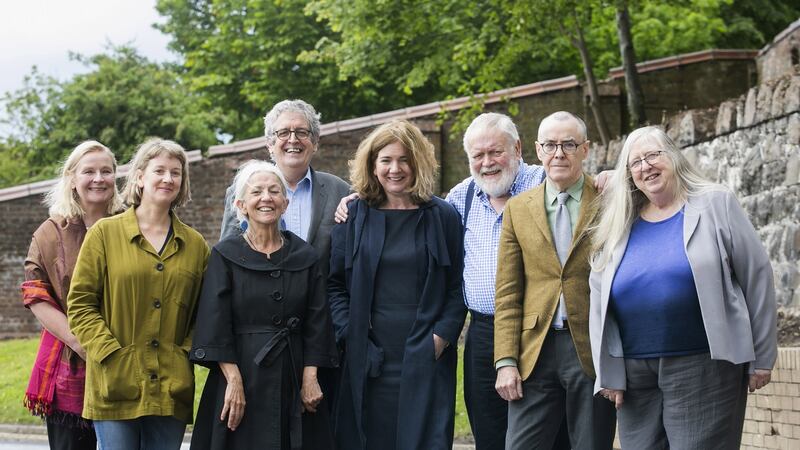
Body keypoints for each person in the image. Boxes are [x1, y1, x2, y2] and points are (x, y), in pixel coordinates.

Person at [589, 125, 777, 449]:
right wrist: (608, 372)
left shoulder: (715, 204)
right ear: (628, 174)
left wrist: (762, 356)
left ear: (674, 157)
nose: (645, 166)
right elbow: (598, 300)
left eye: (653, 155)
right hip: (635, 373)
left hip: (702, 363)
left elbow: (757, 276)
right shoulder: (619, 221)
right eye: (635, 162)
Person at [328, 120, 466, 450]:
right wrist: (352, 335)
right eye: (386, 160)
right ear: (372, 166)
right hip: (368, 355)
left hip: (425, 354)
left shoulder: (442, 215)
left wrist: (441, 337)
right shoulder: (354, 214)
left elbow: (458, 285)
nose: (396, 169)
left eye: (404, 159)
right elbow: (334, 286)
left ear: (418, 163)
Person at [67, 138, 209, 450]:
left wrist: (184, 354)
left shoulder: (196, 245)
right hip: (114, 384)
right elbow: (80, 304)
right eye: (159, 170)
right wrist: (110, 354)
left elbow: (204, 312)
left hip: (170, 388)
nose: (168, 179)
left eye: (176, 172)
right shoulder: (104, 234)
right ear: (140, 177)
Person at [190, 160, 339, 450]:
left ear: (285, 203)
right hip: (240, 373)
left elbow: (317, 320)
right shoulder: (225, 254)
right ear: (242, 205)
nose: (266, 198)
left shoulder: (304, 255)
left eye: (274, 191)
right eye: (256, 192)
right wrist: (233, 381)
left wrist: (310, 378)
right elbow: (215, 323)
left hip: (294, 374)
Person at [494, 111, 616, 449]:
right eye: (550, 145)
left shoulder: (609, 200)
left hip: (591, 349)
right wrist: (505, 362)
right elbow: (507, 293)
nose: (558, 153)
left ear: (585, 149)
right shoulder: (518, 209)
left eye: (569, 144)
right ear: (537, 149)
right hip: (535, 350)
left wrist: (620, 177)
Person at [22, 141, 123, 450]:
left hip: (125, 359)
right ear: (71, 178)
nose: (98, 178)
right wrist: (84, 345)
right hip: (70, 364)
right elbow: (37, 295)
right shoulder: (51, 233)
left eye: (106, 171)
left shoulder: (131, 225)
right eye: (88, 171)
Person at [219, 99, 350, 278]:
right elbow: (228, 255)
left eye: (302, 132)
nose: (293, 140)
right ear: (270, 144)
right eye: (283, 132)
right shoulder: (241, 191)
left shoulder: (341, 192)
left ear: (315, 142)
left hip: (322, 302)